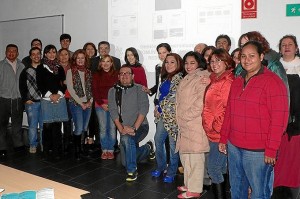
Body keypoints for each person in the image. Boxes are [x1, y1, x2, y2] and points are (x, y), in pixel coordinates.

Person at [218, 41, 289, 199]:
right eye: (243, 56)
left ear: (261, 56)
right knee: (237, 189)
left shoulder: (273, 82)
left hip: (258, 151)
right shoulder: (237, 81)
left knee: (259, 193)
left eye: (252, 56)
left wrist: (271, 149)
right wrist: (224, 138)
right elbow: (229, 111)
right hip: (234, 146)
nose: (246, 60)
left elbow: (279, 120)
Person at [108, 66, 154, 182]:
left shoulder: (140, 89)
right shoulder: (112, 91)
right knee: (124, 161)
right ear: (118, 76)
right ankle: (147, 148)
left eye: (127, 73)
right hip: (124, 128)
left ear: (133, 76)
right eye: (121, 73)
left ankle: (132, 171)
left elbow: (143, 110)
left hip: (141, 126)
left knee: (127, 140)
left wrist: (134, 128)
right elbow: (113, 111)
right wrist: (121, 129)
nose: (124, 76)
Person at [176, 51, 210, 198]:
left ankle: (195, 189)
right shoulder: (187, 77)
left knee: (195, 157)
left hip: (194, 123)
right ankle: (189, 184)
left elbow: (200, 102)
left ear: (199, 63)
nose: (188, 66)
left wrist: (185, 116)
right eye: (186, 63)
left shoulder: (202, 76)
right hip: (185, 123)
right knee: (186, 157)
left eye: (192, 63)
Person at [202, 48, 234, 198]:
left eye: (218, 60)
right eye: (212, 61)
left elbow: (228, 110)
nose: (214, 64)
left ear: (227, 62)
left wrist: (215, 126)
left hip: (219, 133)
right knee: (220, 168)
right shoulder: (216, 79)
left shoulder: (227, 82)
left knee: (213, 168)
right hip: (214, 131)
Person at [273, 35, 300, 198]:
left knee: (294, 159)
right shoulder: (274, 66)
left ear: (296, 48)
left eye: (290, 44)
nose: (287, 47)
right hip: (278, 120)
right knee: (279, 159)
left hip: (297, 123)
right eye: (283, 45)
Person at [150, 53, 184, 183]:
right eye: (166, 62)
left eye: (172, 62)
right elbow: (162, 95)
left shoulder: (179, 77)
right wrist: (157, 105)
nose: (168, 65)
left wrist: (159, 108)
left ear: (178, 64)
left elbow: (172, 97)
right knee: (158, 140)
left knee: (173, 145)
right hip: (163, 117)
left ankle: (171, 171)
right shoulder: (166, 78)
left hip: (173, 118)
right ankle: (161, 166)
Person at [36, 44, 68, 159]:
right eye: (49, 52)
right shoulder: (40, 67)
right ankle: (46, 151)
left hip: (59, 98)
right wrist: (50, 96)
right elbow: (40, 84)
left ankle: (56, 151)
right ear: (45, 54)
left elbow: (64, 84)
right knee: (47, 126)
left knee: (57, 126)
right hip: (46, 99)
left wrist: (58, 94)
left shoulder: (59, 67)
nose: (51, 54)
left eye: (54, 52)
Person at [0, 44, 25, 160]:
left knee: (17, 124)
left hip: (17, 99)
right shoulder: (1, 65)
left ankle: (18, 145)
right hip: (3, 99)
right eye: (9, 51)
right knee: (2, 125)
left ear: (17, 53)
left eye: (14, 51)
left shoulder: (21, 65)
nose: (11, 53)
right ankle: (2, 147)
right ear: (5, 53)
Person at [66, 49, 93, 160]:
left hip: (88, 103)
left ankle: (81, 149)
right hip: (76, 103)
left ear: (85, 59)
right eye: (78, 58)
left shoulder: (89, 72)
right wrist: (81, 103)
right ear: (75, 60)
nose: (80, 60)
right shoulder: (70, 71)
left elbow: (92, 88)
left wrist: (90, 101)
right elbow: (71, 90)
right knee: (78, 128)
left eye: (82, 58)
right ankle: (76, 151)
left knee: (84, 128)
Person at [92, 55, 118, 160]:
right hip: (99, 104)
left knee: (112, 128)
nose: (106, 63)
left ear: (112, 63)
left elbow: (117, 91)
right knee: (103, 128)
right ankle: (104, 150)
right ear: (100, 63)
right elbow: (95, 90)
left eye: (108, 61)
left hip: (113, 105)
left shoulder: (116, 74)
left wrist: (112, 104)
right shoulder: (96, 75)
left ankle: (111, 150)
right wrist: (101, 103)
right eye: (104, 61)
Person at [19, 47, 43, 154]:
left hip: (44, 102)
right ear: (30, 56)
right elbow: (22, 87)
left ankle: (43, 144)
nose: (36, 56)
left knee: (43, 125)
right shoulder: (25, 71)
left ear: (41, 55)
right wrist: (26, 99)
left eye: (38, 53)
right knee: (32, 126)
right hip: (31, 103)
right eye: (33, 54)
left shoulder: (44, 69)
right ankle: (33, 145)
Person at [58, 48, 73, 154]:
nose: (64, 57)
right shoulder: (54, 67)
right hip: (58, 97)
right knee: (58, 121)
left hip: (70, 97)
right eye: (61, 55)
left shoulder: (73, 67)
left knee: (68, 121)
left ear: (69, 56)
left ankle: (68, 144)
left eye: (66, 54)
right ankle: (59, 144)